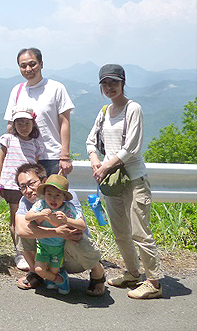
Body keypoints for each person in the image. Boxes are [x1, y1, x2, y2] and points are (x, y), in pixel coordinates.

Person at [86, 64, 162, 299]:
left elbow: (131, 147)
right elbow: (90, 141)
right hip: (112, 181)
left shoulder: (133, 108)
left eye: (114, 82)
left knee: (140, 232)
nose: (109, 87)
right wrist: (95, 160)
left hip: (134, 178)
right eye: (105, 83)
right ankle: (132, 273)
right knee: (120, 232)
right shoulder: (104, 111)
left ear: (123, 83)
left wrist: (105, 166)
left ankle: (154, 282)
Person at [14, 162, 106, 297]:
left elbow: (74, 231)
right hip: (47, 251)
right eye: (23, 187)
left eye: (32, 183)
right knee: (23, 231)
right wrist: (56, 232)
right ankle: (38, 274)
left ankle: (98, 273)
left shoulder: (65, 196)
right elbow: (21, 230)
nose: (28, 190)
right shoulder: (25, 201)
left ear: (44, 181)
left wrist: (59, 223)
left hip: (74, 257)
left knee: (75, 238)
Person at [3, 48, 74, 176]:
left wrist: (64, 156)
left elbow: (65, 122)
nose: (28, 69)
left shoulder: (56, 88)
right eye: (23, 66)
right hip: (24, 157)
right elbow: (10, 125)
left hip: (51, 157)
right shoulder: (17, 91)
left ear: (41, 64)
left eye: (32, 64)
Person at [0, 106, 45, 271]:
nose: (23, 127)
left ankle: (33, 250)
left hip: (30, 186)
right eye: (19, 123)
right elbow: (1, 161)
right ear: (13, 124)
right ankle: (19, 252)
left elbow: (36, 166)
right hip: (11, 185)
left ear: (33, 124)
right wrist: (0, 182)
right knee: (16, 218)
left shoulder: (36, 143)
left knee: (32, 217)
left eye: (27, 123)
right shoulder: (8, 139)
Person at [24, 174, 86, 295]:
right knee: (39, 269)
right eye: (49, 194)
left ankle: (53, 278)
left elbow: (82, 225)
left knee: (53, 270)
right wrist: (40, 214)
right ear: (44, 195)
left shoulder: (68, 207)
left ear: (64, 197)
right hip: (42, 245)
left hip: (59, 247)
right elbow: (28, 217)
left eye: (57, 195)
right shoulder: (41, 204)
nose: (53, 199)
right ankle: (60, 279)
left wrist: (66, 220)